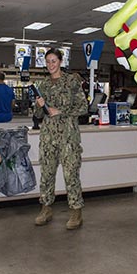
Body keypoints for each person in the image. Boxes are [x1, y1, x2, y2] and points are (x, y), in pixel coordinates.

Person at [33, 48, 88, 230]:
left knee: (70, 174)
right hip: (48, 135)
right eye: (47, 61)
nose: (50, 65)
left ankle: (76, 212)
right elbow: (38, 114)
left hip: (68, 136)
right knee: (47, 174)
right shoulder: (43, 85)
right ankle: (46, 209)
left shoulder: (71, 81)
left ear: (60, 62)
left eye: (53, 61)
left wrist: (62, 111)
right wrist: (40, 106)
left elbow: (83, 107)